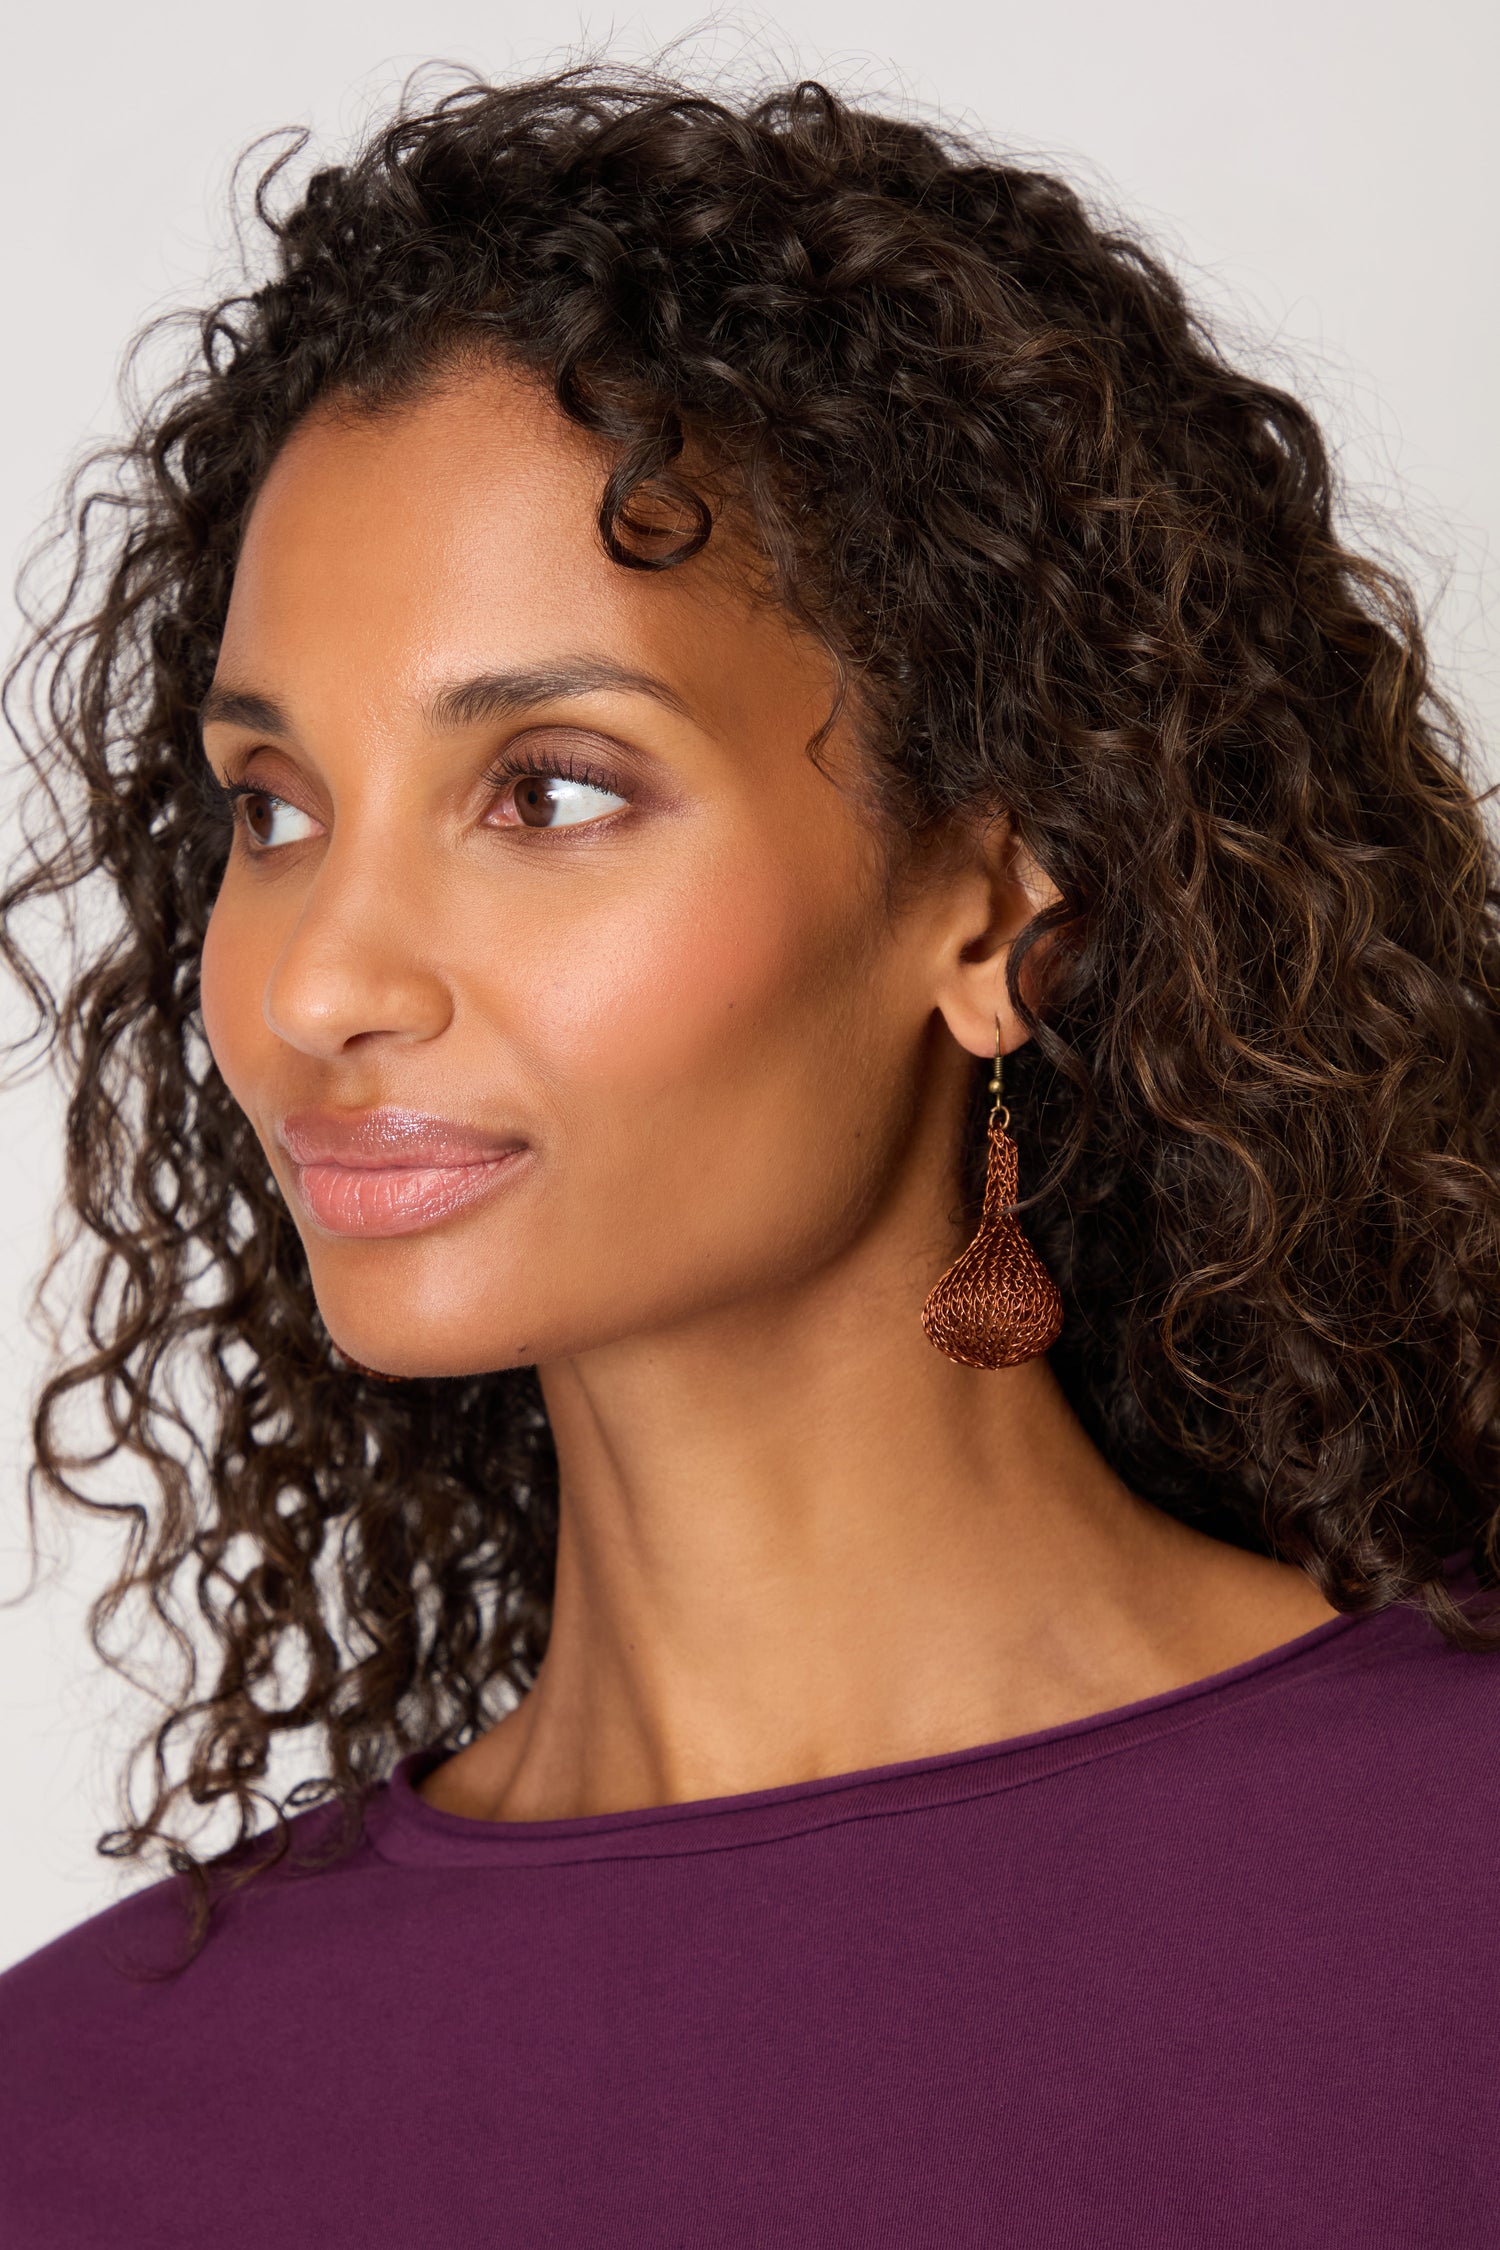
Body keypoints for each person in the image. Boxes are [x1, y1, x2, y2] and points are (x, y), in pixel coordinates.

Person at [2, 66, 1498, 2248]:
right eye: (272, 808)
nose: (317, 981)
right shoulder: (77, 2120)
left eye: (551, 789)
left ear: (995, 910)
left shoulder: (1456, 1912)